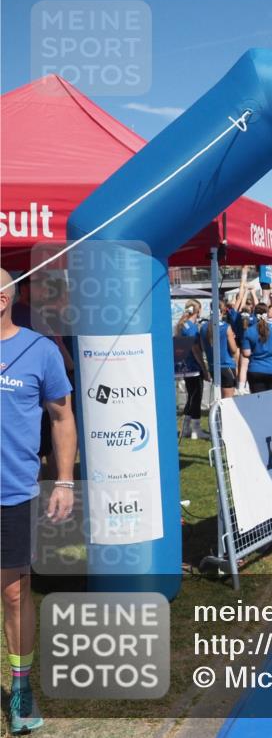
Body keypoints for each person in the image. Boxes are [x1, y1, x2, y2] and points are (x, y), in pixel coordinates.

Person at [1, 268, 76, 734]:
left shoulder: (38, 350)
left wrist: (64, 481)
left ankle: (21, 687)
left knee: (14, 592)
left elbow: (62, 417)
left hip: (12, 492)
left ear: (2, 299)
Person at [175, 301, 210, 439]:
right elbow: (196, 350)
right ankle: (196, 429)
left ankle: (186, 428)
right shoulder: (191, 328)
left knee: (191, 397)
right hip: (193, 367)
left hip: (185, 366)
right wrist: (204, 368)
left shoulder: (182, 325)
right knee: (196, 397)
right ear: (198, 310)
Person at [239, 302, 272, 393]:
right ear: (267, 313)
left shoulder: (248, 331)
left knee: (259, 404)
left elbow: (246, 353)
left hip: (256, 370)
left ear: (254, 314)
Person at [200, 297, 239, 399]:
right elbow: (234, 349)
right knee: (227, 400)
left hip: (213, 366)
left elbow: (203, 347)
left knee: (218, 399)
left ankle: (218, 414)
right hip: (227, 366)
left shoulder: (203, 327)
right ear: (222, 311)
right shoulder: (226, 327)